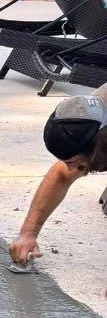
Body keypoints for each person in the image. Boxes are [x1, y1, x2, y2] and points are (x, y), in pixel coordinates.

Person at [9, 92, 107, 270]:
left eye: (74, 162)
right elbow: (61, 176)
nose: (70, 168)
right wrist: (28, 233)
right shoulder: (89, 113)